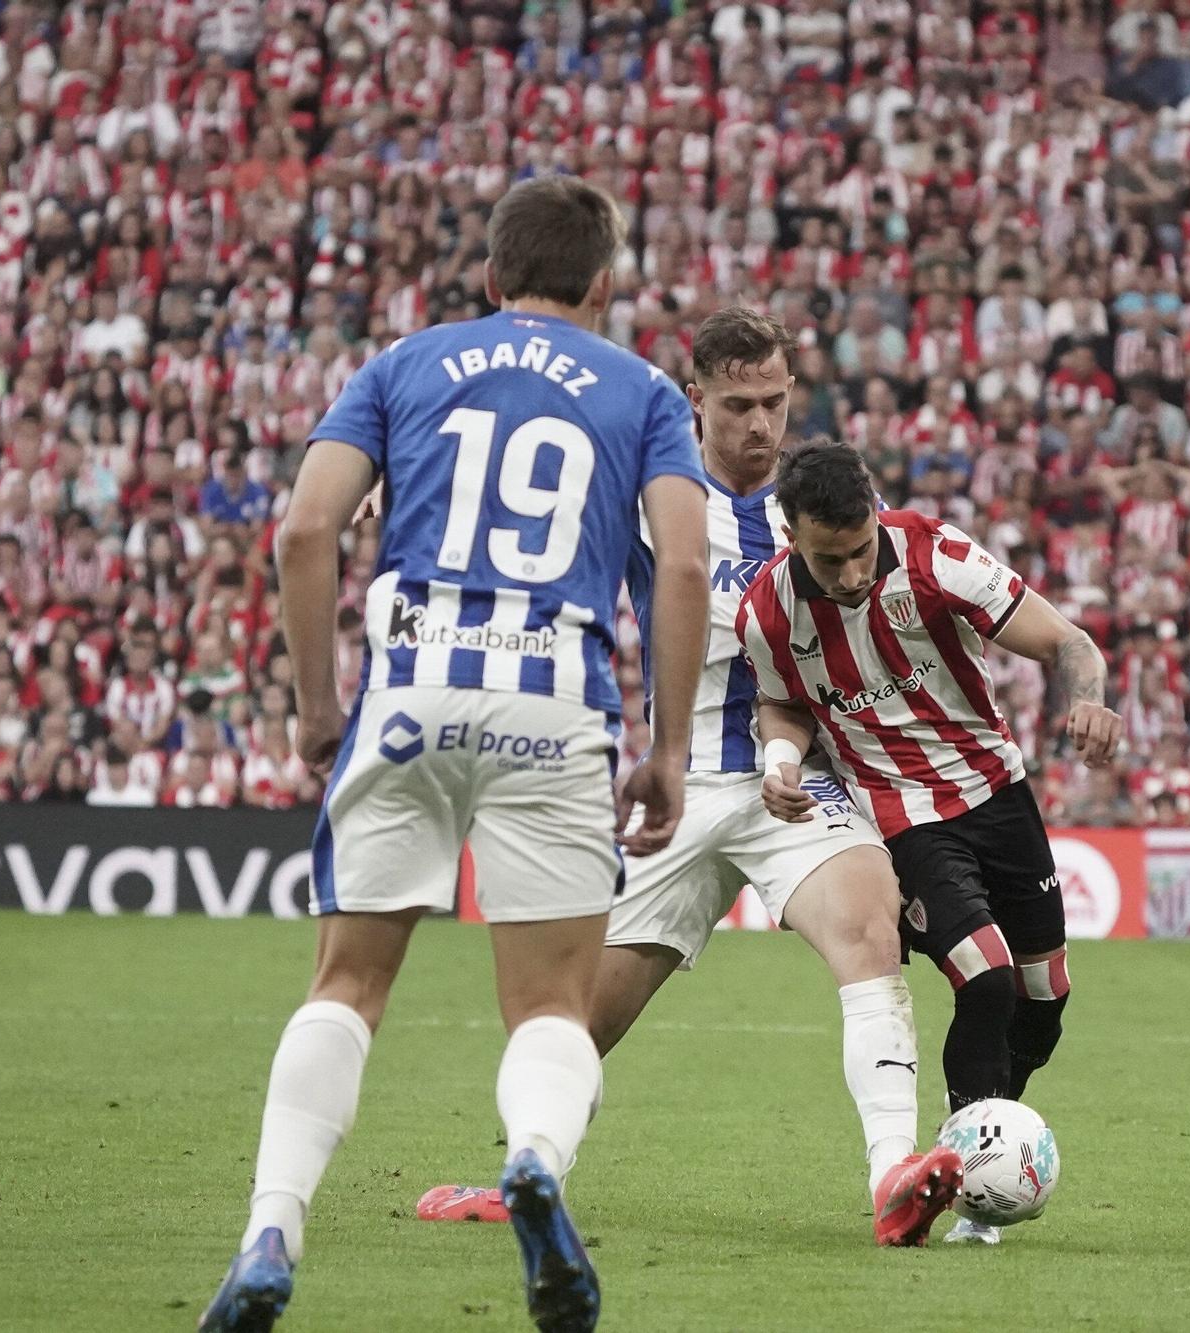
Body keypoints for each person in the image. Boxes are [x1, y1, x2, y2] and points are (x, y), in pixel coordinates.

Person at [198, 177, 712, 1333]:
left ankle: (270, 1230)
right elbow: (681, 567)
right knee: (548, 1005)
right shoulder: (640, 393)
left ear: (490, 277)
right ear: (602, 284)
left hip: (412, 688)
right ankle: (531, 1155)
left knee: (345, 985)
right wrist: (669, 746)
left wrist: (318, 704)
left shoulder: (403, 365)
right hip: (552, 701)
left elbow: (303, 531)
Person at [420, 309, 962, 1248]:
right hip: (682, 787)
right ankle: (528, 1175)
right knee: (582, 1013)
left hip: (796, 782)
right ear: (695, 397)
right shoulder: (650, 493)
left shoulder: (828, 508)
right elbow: (527, 537)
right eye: (741, 405)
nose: (763, 425)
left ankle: (892, 1177)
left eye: (777, 402)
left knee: (871, 930)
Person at [735, 440, 1125, 1246]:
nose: (847, 574)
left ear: (876, 514)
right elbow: (784, 706)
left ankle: (982, 1146)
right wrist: (780, 761)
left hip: (999, 794)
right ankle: (965, 1186)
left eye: (858, 551)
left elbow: (1068, 641)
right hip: (902, 817)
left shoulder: (936, 556)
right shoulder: (769, 611)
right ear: (791, 536)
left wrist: (1090, 700)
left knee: (1042, 1001)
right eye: (826, 559)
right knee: (982, 977)